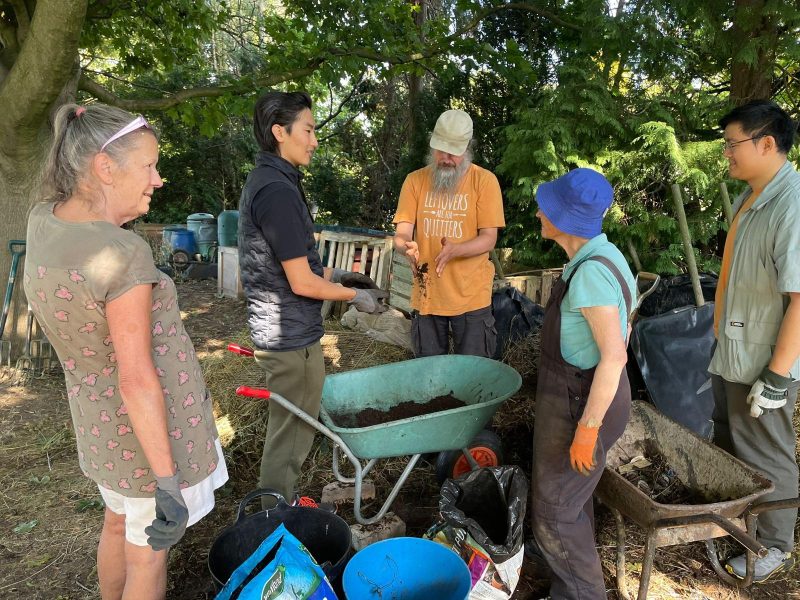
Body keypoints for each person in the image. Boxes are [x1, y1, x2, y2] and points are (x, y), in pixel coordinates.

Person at [23, 103, 228, 600]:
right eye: (150, 165)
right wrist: (166, 481)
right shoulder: (122, 253)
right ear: (105, 166)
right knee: (147, 554)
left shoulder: (43, 220)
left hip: (98, 423)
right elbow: (136, 376)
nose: (158, 180)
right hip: (148, 434)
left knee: (117, 524)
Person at [238, 91, 386, 507]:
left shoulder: (274, 182)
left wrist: (338, 274)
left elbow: (292, 263)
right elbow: (301, 282)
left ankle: (280, 506)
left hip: (288, 329)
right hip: (287, 338)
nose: (315, 140)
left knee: (292, 433)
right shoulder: (277, 191)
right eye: (309, 129)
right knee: (288, 439)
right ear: (279, 132)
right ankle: (274, 522)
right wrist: (356, 296)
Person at [530, 168, 635, 599]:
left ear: (566, 218)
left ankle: (585, 594)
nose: (539, 212)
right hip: (579, 394)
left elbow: (614, 354)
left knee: (555, 513)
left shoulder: (591, 273)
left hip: (580, 402)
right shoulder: (601, 256)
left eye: (547, 207)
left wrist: (587, 429)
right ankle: (567, 588)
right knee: (572, 503)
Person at [710, 100, 800, 581]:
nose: (727, 152)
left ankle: (774, 547)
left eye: (732, 143)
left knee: (766, 451)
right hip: (733, 349)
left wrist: (777, 375)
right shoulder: (754, 197)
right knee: (733, 445)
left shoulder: (792, 203)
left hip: (763, 361)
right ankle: (740, 527)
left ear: (767, 143)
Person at [393, 109, 505, 358]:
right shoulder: (415, 181)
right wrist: (405, 247)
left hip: (471, 295)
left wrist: (457, 250)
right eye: (441, 150)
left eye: (454, 152)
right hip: (428, 293)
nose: (446, 158)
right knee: (430, 375)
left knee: (474, 372)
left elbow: (489, 239)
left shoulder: (484, 182)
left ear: (468, 149)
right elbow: (401, 235)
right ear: (432, 146)